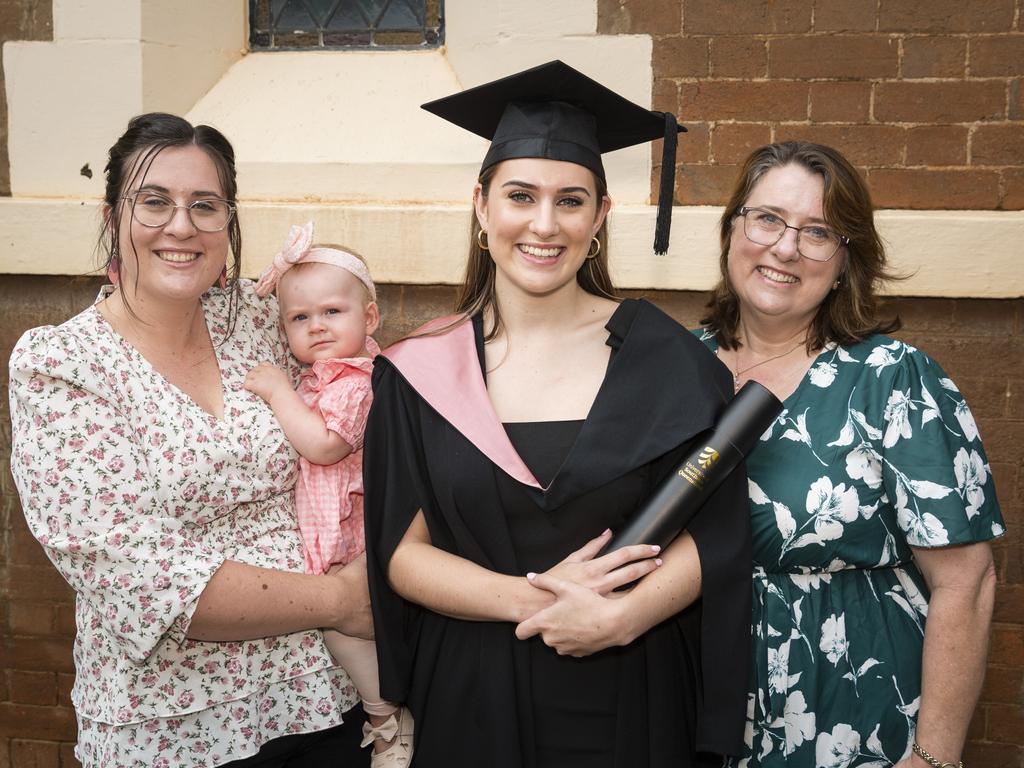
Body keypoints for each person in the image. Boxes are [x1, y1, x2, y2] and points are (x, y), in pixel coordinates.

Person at [363, 60, 752, 768]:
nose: (544, 224)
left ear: (600, 217)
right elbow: (402, 555)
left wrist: (620, 613)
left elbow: (718, 533)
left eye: (570, 200)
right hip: (476, 694)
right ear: (481, 207)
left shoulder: (668, 361)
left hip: (633, 689)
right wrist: (533, 600)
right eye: (520, 196)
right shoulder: (419, 371)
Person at [8, 113, 373, 767]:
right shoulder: (63, 364)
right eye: (154, 202)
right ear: (111, 215)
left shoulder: (265, 322)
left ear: (228, 226)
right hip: (175, 729)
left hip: (323, 698)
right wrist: (345, 599)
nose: (181, 226)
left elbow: (364, 405)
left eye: (205, 206)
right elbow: (137, 576)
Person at [697, 140, 1004, 768]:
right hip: (698, 699)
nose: (785, 247)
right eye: (768, 219)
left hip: (852, 708)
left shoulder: (892, 381)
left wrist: (934, 757)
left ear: (845, 261)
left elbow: (966, 582)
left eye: (818, 232)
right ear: (734, 228)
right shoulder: (678, 367)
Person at [244, 222, 413, 767]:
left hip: (354, 534)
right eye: (299, 317)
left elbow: (322, 446)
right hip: (331, 530)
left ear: (369, 319)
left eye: (332, 312)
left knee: (343, 632)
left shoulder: (355, 382)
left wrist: (274, 390)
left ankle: (387, 717)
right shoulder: (321, 379)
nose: (316, 326)